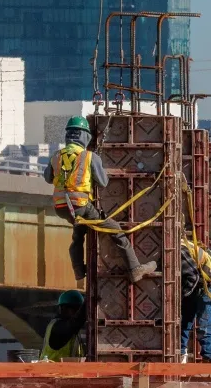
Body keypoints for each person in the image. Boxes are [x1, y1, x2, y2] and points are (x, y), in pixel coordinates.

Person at [51, 116, 154, 284]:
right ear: (85, 136)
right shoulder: (89, 157)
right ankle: (135, 268)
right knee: (115, 230)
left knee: (78, 234)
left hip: (61, 206)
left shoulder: (56, 156)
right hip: (80, 205)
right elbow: (103, 182)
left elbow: (49, 177)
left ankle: (78, 271)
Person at [181, 235, 211, 363]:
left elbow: (193, 277)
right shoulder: (178, 247)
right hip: (198, 284)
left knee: (204, 325)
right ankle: (180, 353)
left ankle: (210, 361)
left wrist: (181, 295)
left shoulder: (180, 250)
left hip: (210, 283)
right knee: (184, 320)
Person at [39, 290, 85, 363]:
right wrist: (87, 303)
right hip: (51, 372)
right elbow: (75, 323)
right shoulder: (57, 327)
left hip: (67, 373)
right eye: (76, 309)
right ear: (63, 308)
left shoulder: (73, 332)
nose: (77, 313)